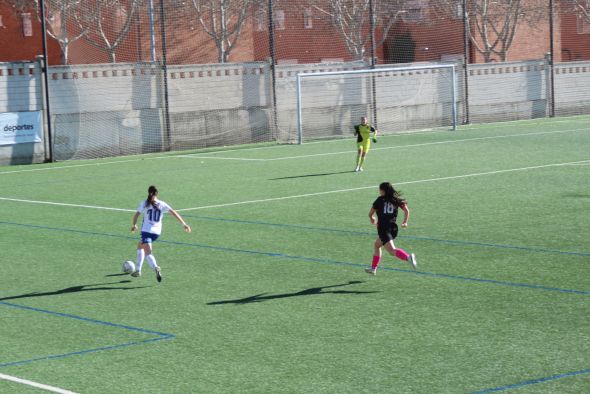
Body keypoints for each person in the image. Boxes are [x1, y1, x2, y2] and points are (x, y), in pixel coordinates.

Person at [130, 185, 191, 282]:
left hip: (146, 231)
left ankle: (155, 268)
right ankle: (138, 270)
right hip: (157, 233)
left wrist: (134, 225)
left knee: (148, 253)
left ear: (148, 192)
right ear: (157, 193)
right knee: (140, 245)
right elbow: (173, 212)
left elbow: (137, 214)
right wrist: (184, 224)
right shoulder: (162, 204)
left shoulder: (145, 203)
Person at [365, 182, 416, 275]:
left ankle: (408, 257)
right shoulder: (395, 199)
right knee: (377, 244)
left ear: (383, 191)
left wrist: (372, 218)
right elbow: (406, 210)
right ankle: (373, 268)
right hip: (393, 228)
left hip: (384, 229)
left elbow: (370, 213)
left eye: (379, 190)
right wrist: (405, 222)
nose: (379, 191)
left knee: (392, 251)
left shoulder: (379, 200)